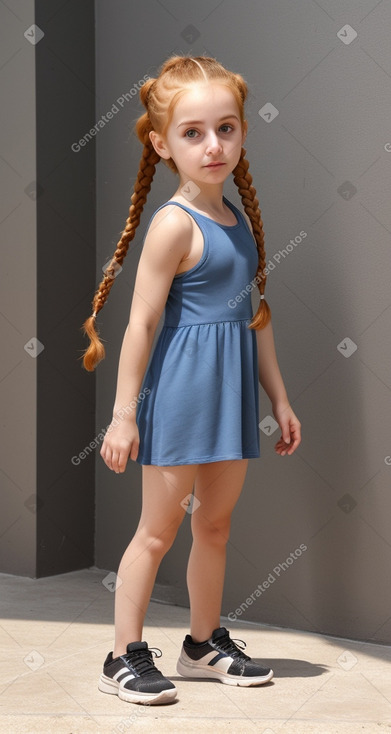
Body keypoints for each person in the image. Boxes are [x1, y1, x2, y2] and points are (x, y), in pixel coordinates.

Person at [81, 55, 301, 705]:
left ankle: (201, 645)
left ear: (241, 132)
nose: (213, 145)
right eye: (194, 133)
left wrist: (278, 399)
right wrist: (125, 413)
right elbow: (141, 325)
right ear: (161, 143)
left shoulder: (238, 219)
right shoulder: (174, 224)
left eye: (226, 128)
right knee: (157, 530)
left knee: (215, 527)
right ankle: (121, 655)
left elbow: (254, 318)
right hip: (177, 399)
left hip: (230, 400)